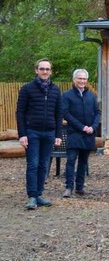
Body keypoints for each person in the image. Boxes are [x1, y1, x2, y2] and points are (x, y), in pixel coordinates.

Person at [16, 58, 63, 210]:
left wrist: (58, 135)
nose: (44, 71)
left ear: (50, 71)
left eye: (47, 69)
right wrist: (22, 134)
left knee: (44, 165)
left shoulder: (55, 90)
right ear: (36, 70)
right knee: (33, 164)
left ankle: (39, 194)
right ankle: (32, 196)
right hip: (32, 132)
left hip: (49, 133)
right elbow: (20, 112)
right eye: (41, 69)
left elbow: (58, 113)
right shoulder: (27, 89)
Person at [61, 69, 101, 198]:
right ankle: (68, 187)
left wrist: (93, 127)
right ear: (74, 79)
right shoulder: (67, 96)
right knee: (71, 160)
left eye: (84, 79)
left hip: (89, 134)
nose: (82, 81)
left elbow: (97, 112)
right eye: (79, 78)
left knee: (83, 162)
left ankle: (79, 187)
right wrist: (81, 127)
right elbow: (66, 114)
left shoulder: (91, 96)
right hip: (74, 133)